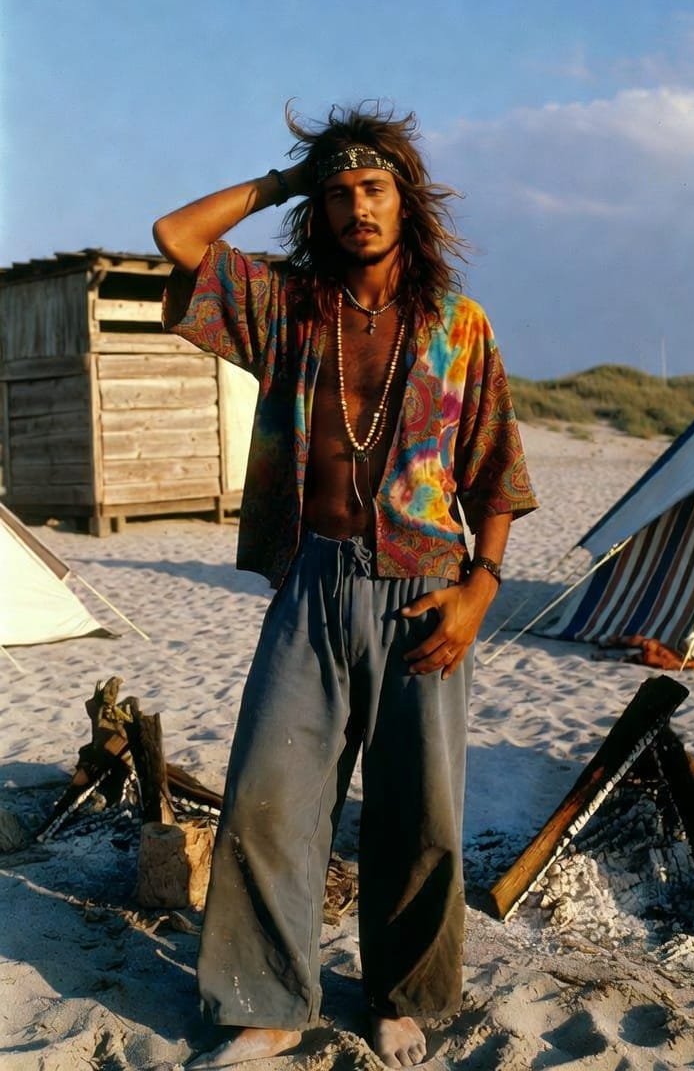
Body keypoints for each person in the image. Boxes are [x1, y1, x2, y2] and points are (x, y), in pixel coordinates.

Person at [153, 104, 537, 1070]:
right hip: (314, 577)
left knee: (420, 811)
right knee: (268, 795)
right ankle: (268, 1003)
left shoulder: (460, 325)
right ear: (317, 211)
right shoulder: (289, 306)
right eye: (337, 194)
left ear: (406, 198)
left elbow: (498, 474)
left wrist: (481, 590)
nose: (356, 208)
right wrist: (287, 180)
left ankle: (402, 994)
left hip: (424, 586)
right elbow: (176, 238)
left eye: (373, 188)